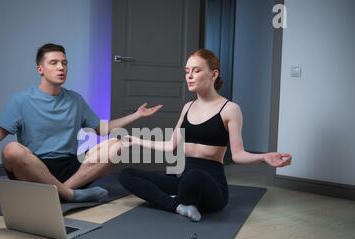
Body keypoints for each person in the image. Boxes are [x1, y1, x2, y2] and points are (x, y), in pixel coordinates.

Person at [0, 43, 162, 203]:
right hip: (34, 169)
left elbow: (103, 129)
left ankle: (60, 192)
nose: (61, 67)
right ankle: (69, 194)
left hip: (70, 166)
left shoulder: (75, 99)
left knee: (116, 146)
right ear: (40, 68)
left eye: (64, 63)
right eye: (54, 62)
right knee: (11, 149)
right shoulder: (21, 100)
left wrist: (137, 115)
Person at [119, 49, 292, 222]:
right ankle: (178, 207)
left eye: (196, 70)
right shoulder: (187, 107)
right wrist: (136, 140)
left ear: (213, 74)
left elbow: (238, 155)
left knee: (194, 176)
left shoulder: (230, 109)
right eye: (187, 71)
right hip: (185, 181)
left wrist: (264, 157)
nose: (189, 76)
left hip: (211, 186)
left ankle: (177, 200)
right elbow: (171, 145)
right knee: (126, 174)